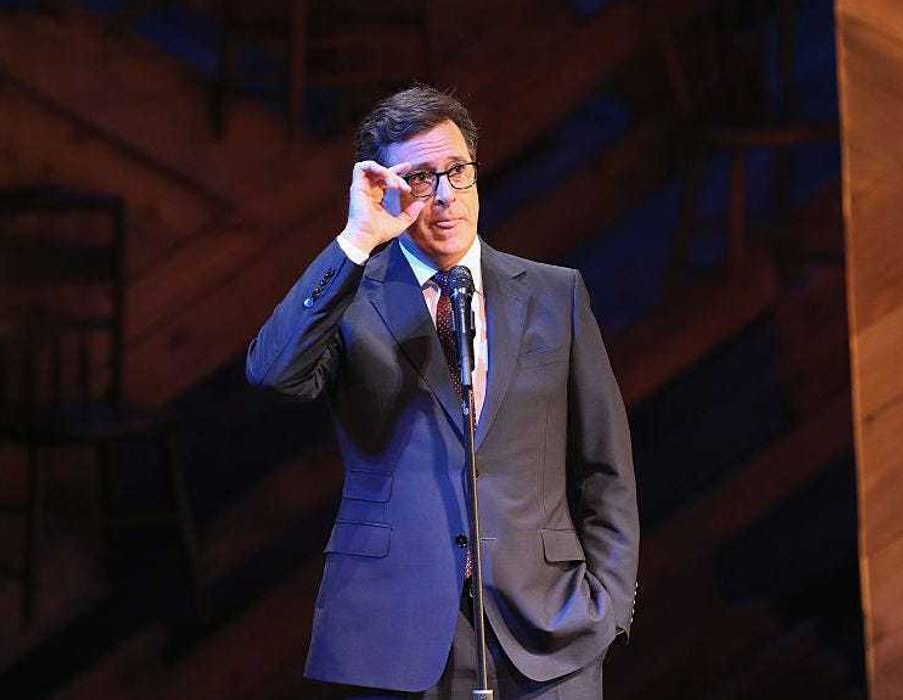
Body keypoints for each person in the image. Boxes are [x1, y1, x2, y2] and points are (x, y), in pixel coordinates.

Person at [245, 85, 639, 699]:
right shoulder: (353, 299)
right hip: (394, 634)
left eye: (456, 171)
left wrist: (608, 605)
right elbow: (272, 372)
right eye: (422, 178)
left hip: (548, 632)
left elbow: (605, 467)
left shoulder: (554, 294)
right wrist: (356, 238)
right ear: (387, 186)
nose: (446, 196)